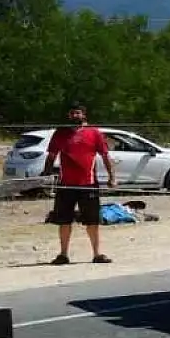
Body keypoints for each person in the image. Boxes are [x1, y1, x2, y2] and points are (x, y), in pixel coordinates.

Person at [42, 103, 116, 265]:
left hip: (88, 184)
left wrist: (112, 177)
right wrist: (46, 174)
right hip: (66, 185)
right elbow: (51, 156)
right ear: (69, 116)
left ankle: (97, 254)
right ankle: (63, 254)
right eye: (72, 113)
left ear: (84, 115)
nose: (75, 116)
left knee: (92, 221)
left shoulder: (94, 133)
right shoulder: (60, 133)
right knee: (64, 220)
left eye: (78, 113)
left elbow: (105, 156)